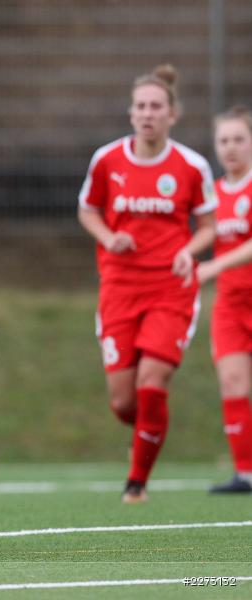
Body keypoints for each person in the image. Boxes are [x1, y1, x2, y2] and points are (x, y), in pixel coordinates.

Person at [77, 64, 217, 503]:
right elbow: (88, 210)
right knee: (124, 403)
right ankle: (147, 432)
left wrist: (188, 251)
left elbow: (210, 226)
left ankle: (136, 484)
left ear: (172, 114)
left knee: (152, 383)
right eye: (141, 106)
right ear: (131, 112)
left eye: (156, 106)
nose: (148, 114)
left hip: (171, 289)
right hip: (119, 287)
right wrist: (108, 237)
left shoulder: (191, 165)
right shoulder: (107, 159)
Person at [196, 106, 252, 493]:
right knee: (233, 382)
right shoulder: (211, 196)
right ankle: (245, 474)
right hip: (231, 305)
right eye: (224, 140)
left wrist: (213, 267)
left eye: (239, 139)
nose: (230, 147)